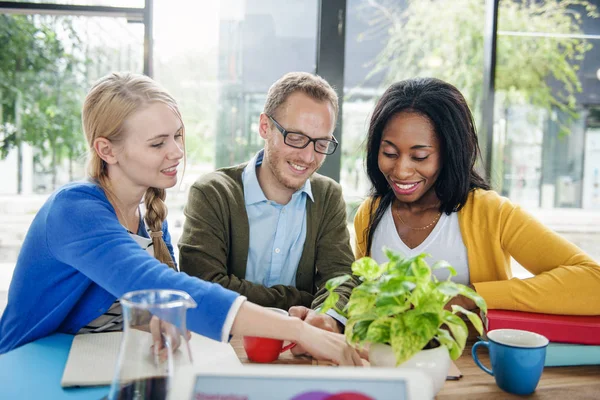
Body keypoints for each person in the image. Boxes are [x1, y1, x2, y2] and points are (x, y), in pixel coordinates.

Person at [0, 72, 363, 366]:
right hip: (28, 368)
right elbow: (175, 289)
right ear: (106, 150)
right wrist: (300, 331)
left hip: (95, 367)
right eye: (158, 144)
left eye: (177, 136)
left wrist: (159, 320)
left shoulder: (146, 218)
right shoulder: (74, 210)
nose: (176, 152)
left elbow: (165, 304)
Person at [354, 77, 600, 315]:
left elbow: (593, 281)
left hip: (468, 357)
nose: (401, 171)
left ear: (449, 153)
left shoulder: (491, 213)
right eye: (389, 153)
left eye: (420, 157)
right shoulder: (370, 213)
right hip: (379, 356)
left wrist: (471, 296)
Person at [178, 72, 356, 342]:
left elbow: (341, 279)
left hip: (300, 348)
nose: (308, 157)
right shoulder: (212, 192)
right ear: (265, 126)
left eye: (321, 143)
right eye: (296, 137)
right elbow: (204, 286)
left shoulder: (328, 195)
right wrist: (301, 299)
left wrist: (326, 317)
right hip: (223, 347)